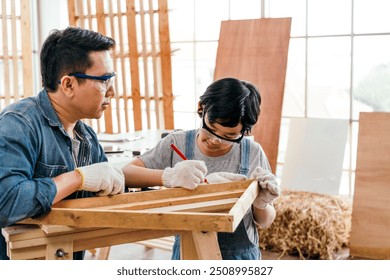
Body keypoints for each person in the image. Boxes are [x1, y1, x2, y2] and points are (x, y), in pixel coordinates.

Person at [0, 27, 125, 260]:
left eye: (112, 79)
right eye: (104, 80)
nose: (113, 92)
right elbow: (6, 202)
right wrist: (77, 178)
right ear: (68, 85)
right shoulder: (18, 124)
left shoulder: (86, 135)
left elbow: (107, 184)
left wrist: (165, 178)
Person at [122, 77, 280, 260]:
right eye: (211, 127)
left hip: (240, 257)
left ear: (245, 131)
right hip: (189, 254)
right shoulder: (177, 143)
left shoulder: (252, 152)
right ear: (201, 108)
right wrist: (170, 176)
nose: (216, 140)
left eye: (230, 135)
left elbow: (265, 222)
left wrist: (260, 204)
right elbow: (127, 174)